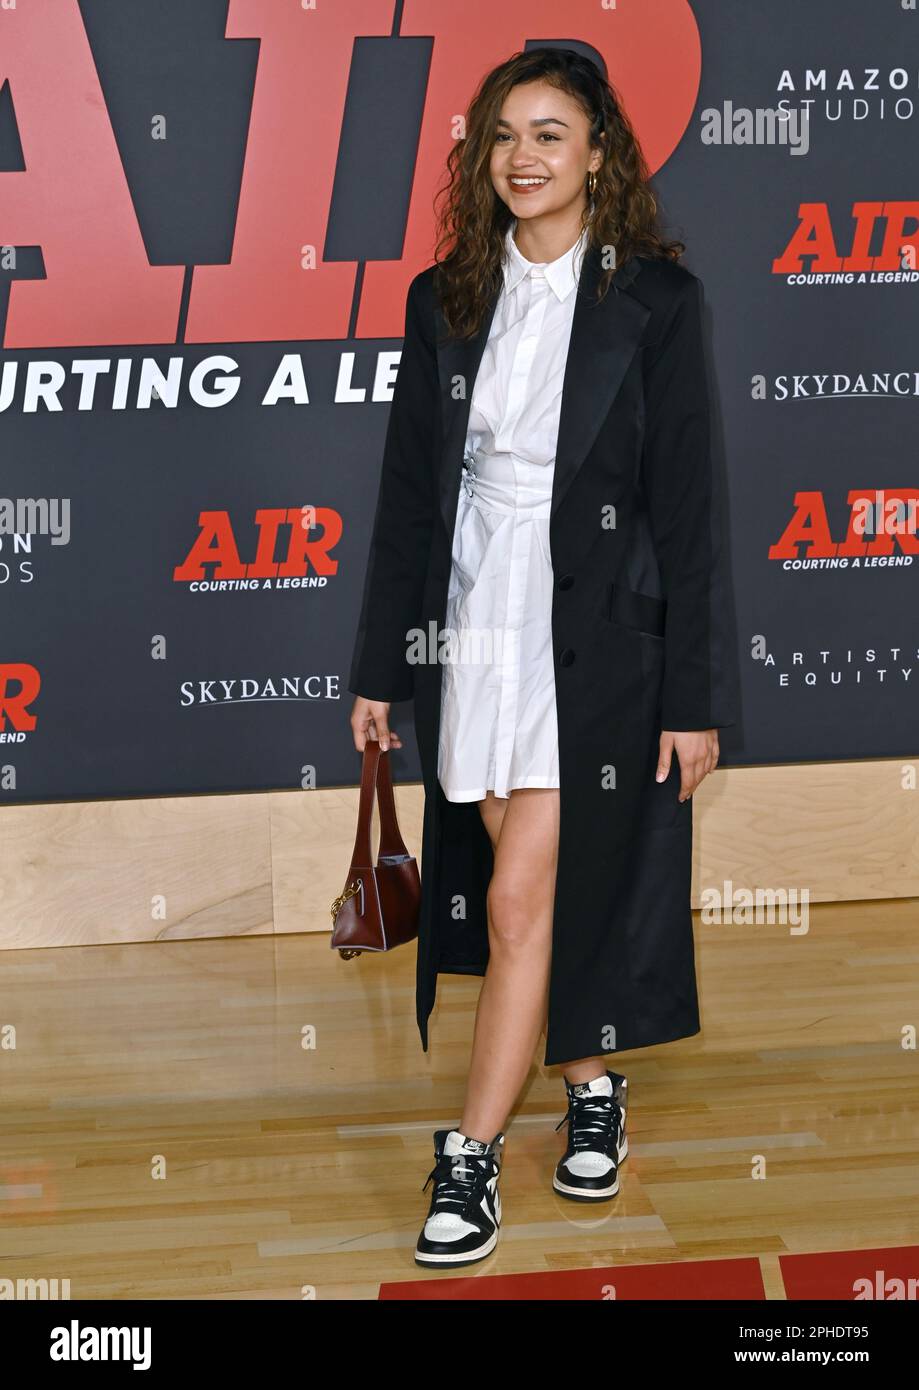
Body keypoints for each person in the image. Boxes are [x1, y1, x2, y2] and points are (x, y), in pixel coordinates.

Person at [348, 47, 738, 1269]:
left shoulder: (655, 302)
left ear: (599, 154)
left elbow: (692, 506)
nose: (522, 157)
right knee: (533, 886)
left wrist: (696, 692)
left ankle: (466, 1159)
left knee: (519, 898)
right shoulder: (445, 294)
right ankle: (592, 1078)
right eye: (504, 135)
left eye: (551, 134)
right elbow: (409, 492)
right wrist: (379, 666)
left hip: (599, 639)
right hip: (475, 622)